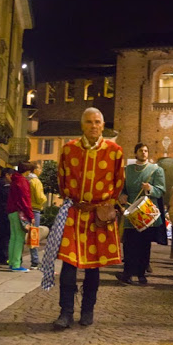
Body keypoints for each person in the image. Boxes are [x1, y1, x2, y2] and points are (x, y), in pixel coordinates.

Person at [52, 107, 124, 329]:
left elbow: (118, 182)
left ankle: (88, 310)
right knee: (68, 266)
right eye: (89, 122)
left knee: (94, 267)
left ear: (103, 125)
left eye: (97, 122)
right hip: (74, 214)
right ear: (82, 125)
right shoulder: (68, 149)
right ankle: (65, 312)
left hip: (98, 216)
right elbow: (62, 180)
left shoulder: (114, 151)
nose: (94, 126)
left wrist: (104, 204)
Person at [116, 143, 166, 285]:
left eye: (146, 151)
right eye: (141, 151)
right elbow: (122, 188)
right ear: (135, 153)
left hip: (146, 211)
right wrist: (122, 195)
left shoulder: (156, 170)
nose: (144, 153)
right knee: (129, 244)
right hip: (131, 210)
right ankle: (127, 273)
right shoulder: (128, 170)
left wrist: (150, 188)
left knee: (144, 244)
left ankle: (141, 274)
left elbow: (161, 190)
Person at [7, 162, 34, 272]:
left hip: (11, 211)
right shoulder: (22, 181)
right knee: (19, 238)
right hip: (20, 212)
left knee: (13, 237)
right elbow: (25, 199)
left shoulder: (14, 179)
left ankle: (12, 262)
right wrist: (30, 215)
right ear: (27, 171)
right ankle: (16, 264)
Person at [26, 162, 47, 269]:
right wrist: (44, 199)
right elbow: (40, 197)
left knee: (21, 235)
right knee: (34, 234)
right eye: (39, 169)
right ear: (34, 170)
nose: (41, 171)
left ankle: (15, 258)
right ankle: (35, 260)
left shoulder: (26, 179)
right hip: (35, 209)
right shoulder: (36, 181)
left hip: (25, 208)